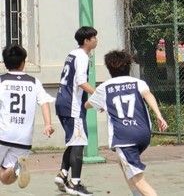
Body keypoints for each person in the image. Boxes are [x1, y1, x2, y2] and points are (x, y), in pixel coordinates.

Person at [86, 50, 168, 196]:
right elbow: (148, 95)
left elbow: (87, 105)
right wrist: (159, 115)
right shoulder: (138, 83)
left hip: (124, 138)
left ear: (109, 68)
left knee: (138, 179)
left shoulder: (104, 88)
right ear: (129, 66)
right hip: (143, 134)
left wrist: (96, 103)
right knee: (122, 162)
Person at [0, 45, 55, 189]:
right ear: (23, 63)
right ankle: (16, 168)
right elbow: (44, 102)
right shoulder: (34, 82)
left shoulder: (2, 81)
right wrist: (48, 124)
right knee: (5, 178)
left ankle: (16, 168)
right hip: (24, 138)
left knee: (4, 178)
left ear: (5, 63)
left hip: (3, 134)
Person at [54, 26, 98, 196]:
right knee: (79, 143)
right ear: (86, 41)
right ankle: (75, 183)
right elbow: (81, 82)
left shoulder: (72, 54)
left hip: (62, 102)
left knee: (74, 141)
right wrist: (98, 95)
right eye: (94, 37)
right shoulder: (82, 57)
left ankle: (62, 173)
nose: (96, 40)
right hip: (72, 106)